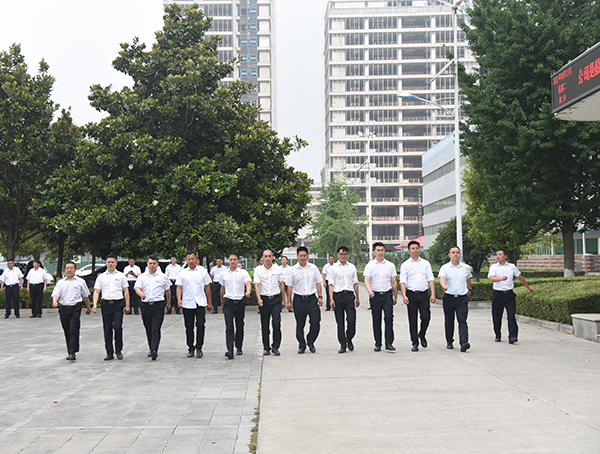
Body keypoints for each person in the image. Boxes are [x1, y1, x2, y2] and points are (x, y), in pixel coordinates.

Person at [488, 249, 534, 344]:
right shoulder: (493, 267)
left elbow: (519, 277)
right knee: (497, 316)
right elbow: (492, 279)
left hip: (509, 294)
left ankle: (513, 336)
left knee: (511, 315)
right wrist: (501, 279)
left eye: (500, 254)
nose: (498, 256)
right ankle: (498, 334)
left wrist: (528, 287)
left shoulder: (512, 267)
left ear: (505, 256)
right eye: (496, 255)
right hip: (498, 294)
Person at [92, 254, 131, 360]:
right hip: (106, 304)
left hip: (118, 304)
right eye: (109, 262)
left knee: (118, 326)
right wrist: (95, 304)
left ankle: (119, 350)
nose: (110, 264)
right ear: (106, 263)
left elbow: (126, 291)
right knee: (107, 328)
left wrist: (127, 305)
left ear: (116, 263)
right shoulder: (101, 277)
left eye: (112, 262)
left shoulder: (121, 276)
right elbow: (96, 291)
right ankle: (109, 352)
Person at [286, 246, 323, 354]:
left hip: (311, 298)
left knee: (316, 321)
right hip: (298, 299)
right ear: (297, 256)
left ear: (307, 256)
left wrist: (320, 297)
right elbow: (289, 287)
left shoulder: (313, 268)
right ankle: (302, 345)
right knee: (300, 324)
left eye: (304, 256)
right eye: (300, 256)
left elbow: (318, 283)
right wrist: (289, 301)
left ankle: (310, 341)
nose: (302, 258)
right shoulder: (292, 270)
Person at [400, 240, 436, 352]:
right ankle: (414, 342)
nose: (415, 250)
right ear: (409, 250)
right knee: (412, 319)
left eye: (417, 248)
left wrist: (433, 294)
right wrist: (404, 295)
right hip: (411, 294)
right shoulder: (405, 265)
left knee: (426, 317)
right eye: (413, 248)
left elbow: (430, 279)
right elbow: (403, 281)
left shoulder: (426, 263)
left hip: (424, 294)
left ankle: (422, 334)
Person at [51, 261, 92, 360]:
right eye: (67, 268)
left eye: (71, 268)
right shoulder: (60, 282)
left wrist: (88, 307)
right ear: (65, 270)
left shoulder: (80, 281)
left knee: (73, 329)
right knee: (67, 330)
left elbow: (85, 296)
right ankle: (70, 350)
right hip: (64, 308)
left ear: (75, 270)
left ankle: (73, 352)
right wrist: (55, 301)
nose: (69, 270)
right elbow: (56, 293)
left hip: (75, 308)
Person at [176, 251, 212, 358]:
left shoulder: (203, 272)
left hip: (200, 303)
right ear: (186, 260)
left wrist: (209, 302)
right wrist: (179, 300)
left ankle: (199, 347)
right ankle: (190, 347)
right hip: (187, 303)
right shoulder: (182, 273)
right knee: (189, 327)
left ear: (197, 260)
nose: (191, 261)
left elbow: (207, 287)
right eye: (189, 259)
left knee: (200, 325)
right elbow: (179, 287)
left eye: (193, 259)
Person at [135, 255, 172, 360]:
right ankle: (151, 347)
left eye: (154, 263)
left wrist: (169, 303)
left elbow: (168, 290)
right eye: (150, 263)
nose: (152, 265)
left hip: (158, 305)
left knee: (156, 328)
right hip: (146, 305)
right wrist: (140, 293)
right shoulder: (142, 276)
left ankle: (154, 349)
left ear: (157, 264)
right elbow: (137, 288)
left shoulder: (163, 276)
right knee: (148, 327)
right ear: (147, 264)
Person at [364, 242, 398, 351]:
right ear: (374, 252)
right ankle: (378, 343)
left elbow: (393, 282)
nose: (380, 252)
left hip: (387, 295)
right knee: (376, 319)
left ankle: (389, 343)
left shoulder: (390, 265)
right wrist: (369, 291)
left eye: (382, 250)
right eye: (378, 250)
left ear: (384, 251)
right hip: (375, 295)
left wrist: (395, 296)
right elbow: (367, 280)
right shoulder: (370, 266)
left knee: (389, 318)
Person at [439, 246, 473, 352]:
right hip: (449, 297)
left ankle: (464, 342)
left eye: (457, 252)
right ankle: (449, 341)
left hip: (462, 298)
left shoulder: (466, 267)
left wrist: (469, 289)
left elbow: (468, 279)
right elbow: (442, 278)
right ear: (449, 255)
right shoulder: (445, 267)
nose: (455, 254)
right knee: (449, 321)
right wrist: (443, 285)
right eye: (453, 252)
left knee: (462, 320)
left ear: (460, 254)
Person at [220, 252, 252, 359]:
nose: (232, 261)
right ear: (228, 261)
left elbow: (248, 283)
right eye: (231, 259)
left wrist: (248, 291)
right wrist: (222, 302)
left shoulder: (243, 273)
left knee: (239, 325)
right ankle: (230, 349)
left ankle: (239, 346)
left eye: (234, 259)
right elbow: (222, 288)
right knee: (229, 325)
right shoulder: (223, 274)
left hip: (239, 302)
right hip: (228, 302)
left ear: (238, 261)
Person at [328, 246, 360, 353]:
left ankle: (349, 338)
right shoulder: (333, 268)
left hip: (349, 296)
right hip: (338, 296)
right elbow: (331, 284)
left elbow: (355, 283)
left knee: (351, 320)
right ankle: (342, 344)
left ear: (347, 255)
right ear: (337, 255)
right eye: (341, 254)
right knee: (340, 322)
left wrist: (358, 298)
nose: (343, 256)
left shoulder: (352, 267)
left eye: (345, 254)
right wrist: (331, 299)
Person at [254, 250, 285, 356]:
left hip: (276, 299)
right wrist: (259, 299)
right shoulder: (258, 270)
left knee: (276, 323)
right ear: (262, 257)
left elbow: (281, 284)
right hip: (264, 300)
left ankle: (275, 347)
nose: (267, 258)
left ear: (272, 257)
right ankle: (266, 347)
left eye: (269, 256)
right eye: (265, 256)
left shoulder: (278, 269)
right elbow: (257, 285)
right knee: (265, 324)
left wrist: (283, 300)